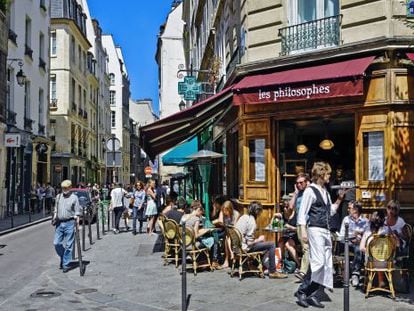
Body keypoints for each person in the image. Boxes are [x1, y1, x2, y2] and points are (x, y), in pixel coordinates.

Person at [295, 161, 345, 308]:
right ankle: (302, 291)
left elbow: (331, 211)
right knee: (319, 263)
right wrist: (303, 230)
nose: (330, 176)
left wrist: (340, 198)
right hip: (315, 230)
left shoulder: (325, 192)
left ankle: (311, 293)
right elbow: (303, 212)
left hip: (325, 230)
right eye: (328, 173)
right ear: (321, 175)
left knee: (326, 265)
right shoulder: (310, 190)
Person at [235, 201, 288, 279]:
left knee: (263, 245)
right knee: (271, 244)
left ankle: (253, 264)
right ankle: (273, 271)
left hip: (236, 247)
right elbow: (249, 243)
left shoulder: (243, 217)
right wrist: (259, 240)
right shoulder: (252, 221)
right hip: (244, 248)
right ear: (257, 211)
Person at [52, 180, 82, 273]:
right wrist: (54, 217)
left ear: (70, 187)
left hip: (70, 223)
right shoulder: (58, 196)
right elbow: (56, 209)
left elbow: (77, 212)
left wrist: (77, 225)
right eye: (63, 188)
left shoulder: (74, 198)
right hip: (59, 223)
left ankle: (65, 264)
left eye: (66, 188)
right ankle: (64, 257)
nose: (64, 190)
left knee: (69, 245)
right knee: (56, 243)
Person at [338, 201, 369, 287]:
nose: (348, 210)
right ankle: (351, 273)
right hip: (347, 242)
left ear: (356, 210)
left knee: (358, 249)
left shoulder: (365, 221)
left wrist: (360, 237)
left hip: (360, 243)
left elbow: (369, 235)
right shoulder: (346, 219)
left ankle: (355, 274)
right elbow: (341, 235)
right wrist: (352, 236)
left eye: (350, 208)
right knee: (351, 246)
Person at [290, 173, 310, 281]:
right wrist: (295, 193)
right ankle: (307, 272)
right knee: (304, 248)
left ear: (307, 182)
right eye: (297, 183)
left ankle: (303, 272)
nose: (299, 185)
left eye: (301, 182)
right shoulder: (299, 193)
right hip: (299, 223)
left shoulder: (309, 192)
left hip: (307, 224)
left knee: (306, 248)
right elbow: (291, 206)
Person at [213, 200, 240, 268]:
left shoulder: (236, 214)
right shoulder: (222, 211)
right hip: (224, 230)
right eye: (223, 210)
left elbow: (235, 227)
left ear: (230, 209)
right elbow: (221, 221)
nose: (225, 212)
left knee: (227, 237)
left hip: (233, 232)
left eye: (226, 210)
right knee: (215, 236)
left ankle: (227, 259)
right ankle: (217, 258)